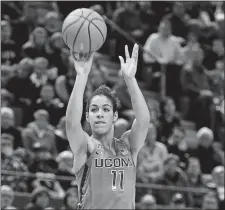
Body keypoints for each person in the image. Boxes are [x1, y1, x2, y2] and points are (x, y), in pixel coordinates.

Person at [66, 44, 150, 209]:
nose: (99, 114)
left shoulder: (127, 144)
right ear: (88, 116)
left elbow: (144, 121)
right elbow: (71, 123)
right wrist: (81, 76)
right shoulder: (86, 145)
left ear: (115, 116)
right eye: (94, 110)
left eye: (106, 109)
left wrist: (130, 80)